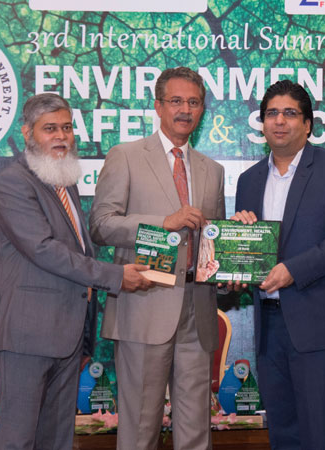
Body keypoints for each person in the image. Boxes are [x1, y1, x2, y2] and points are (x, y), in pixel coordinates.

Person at [0, 93, 153, 449]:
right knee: (17, 439)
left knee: (57, 440)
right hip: (27, 335)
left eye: (66, 128)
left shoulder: (63, 180)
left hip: (68, 334)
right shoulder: (12, 182)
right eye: (50, 129)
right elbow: (44, 250)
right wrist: (115, 275)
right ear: (27, 133)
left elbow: (77, 250)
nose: (61, 137)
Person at [90, 67, 225, 450]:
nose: (185, 110)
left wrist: (229, 264)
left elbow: (212, 241)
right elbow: (100, 225)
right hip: (143, 305)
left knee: (196, 433)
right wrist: (163, 223)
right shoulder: (126, 156)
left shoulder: (212, 170)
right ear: (158, 106)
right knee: (139, 432)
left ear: (202, 110)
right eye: (176, 101)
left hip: (197, 311)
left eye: (194, 102)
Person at [231, 80, 325, 449]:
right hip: (269, 326)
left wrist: (294, 270)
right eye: (271, 113)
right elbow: (248, 250)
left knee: (322, 434)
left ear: (307, 124)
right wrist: (236, 266)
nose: (280, 121)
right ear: (262, 123)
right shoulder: (248, 180)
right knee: (283, 433)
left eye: (290, 113)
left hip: (320, 324)